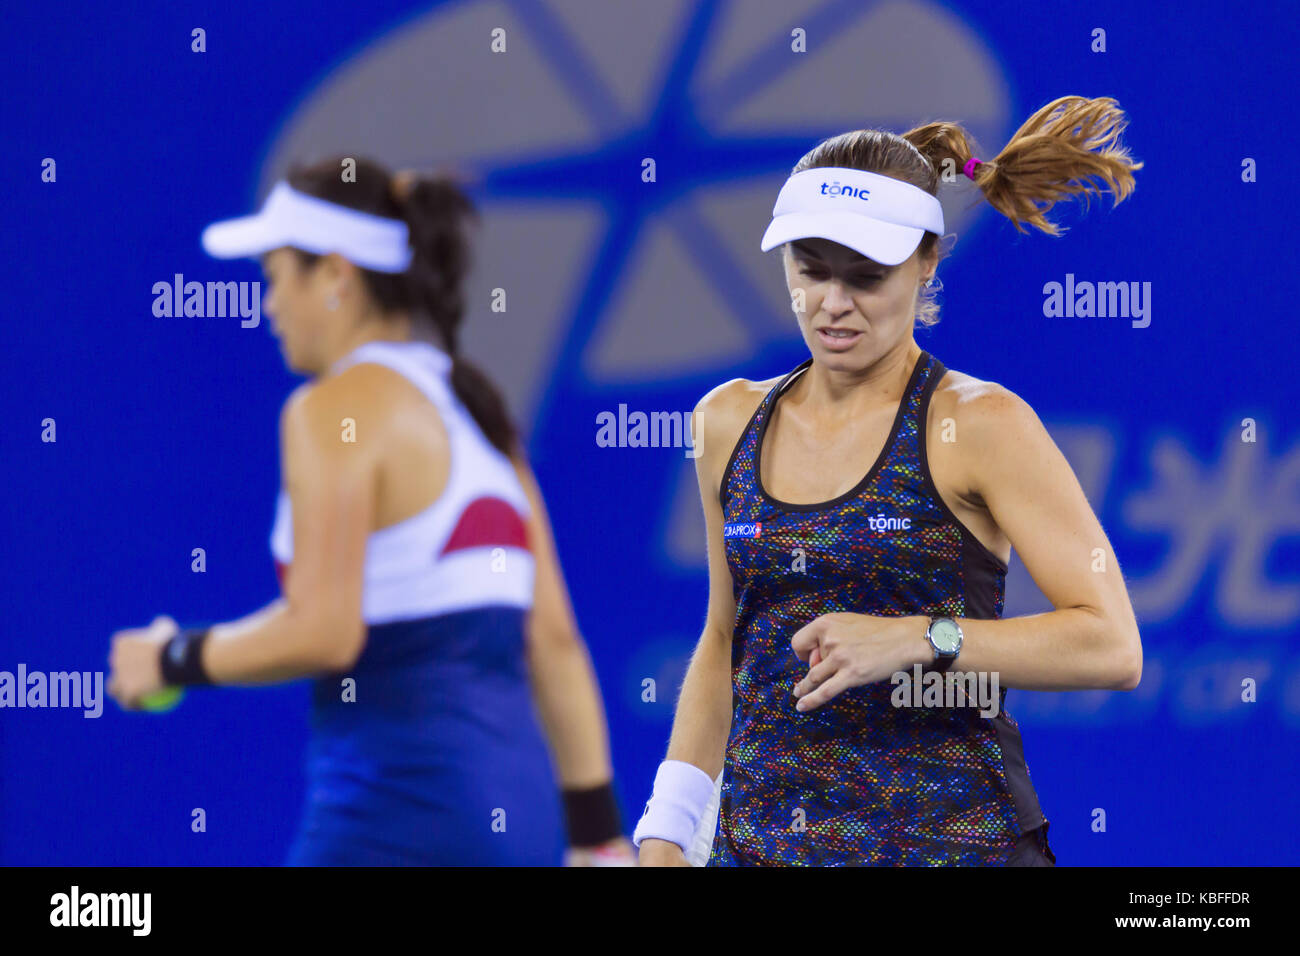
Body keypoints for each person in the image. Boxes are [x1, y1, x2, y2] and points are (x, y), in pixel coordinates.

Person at [633, 95, 1145, 866]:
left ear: (927, 262)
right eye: (811, 272)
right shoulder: (724, 422)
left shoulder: (981, 424)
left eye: (867, 278)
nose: (832, 304)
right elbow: (721, 639)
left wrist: (916, 640)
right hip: (759, 848)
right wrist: (667, 834)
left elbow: (1111, 646)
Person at [107, 157, 633, 866]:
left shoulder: (331, 409)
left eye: (275, 278)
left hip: (392, 822)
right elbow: (555, 640)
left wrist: (174, 658)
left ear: (335, 276)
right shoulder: (483, 413)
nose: (269, 306)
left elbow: (325, 632)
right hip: (523, 826)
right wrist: (599, 838)